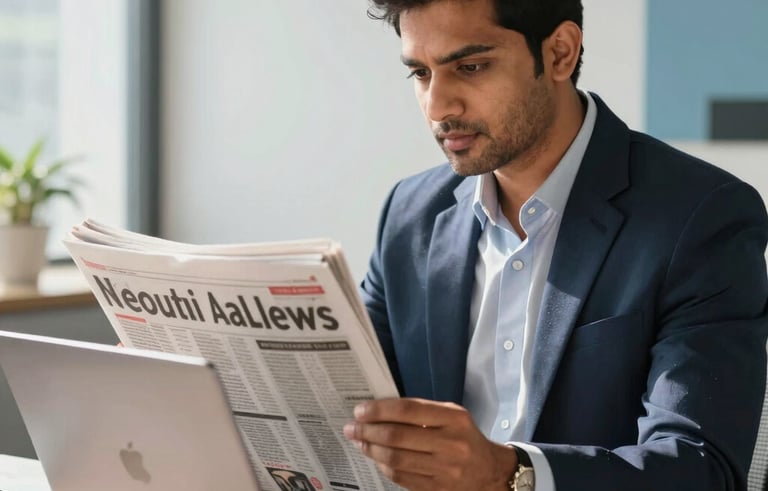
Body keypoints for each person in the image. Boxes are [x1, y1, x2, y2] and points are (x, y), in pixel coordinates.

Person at [341, 0, 768, 490]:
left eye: (471, 67)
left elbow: (700, 468)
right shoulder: (410, 214)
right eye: (420, 73)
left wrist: (509, 473)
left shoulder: (699, 216)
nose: (439, 106)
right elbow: (351, 402)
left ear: (560, 53)